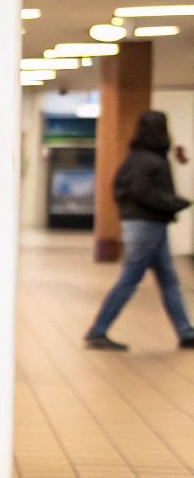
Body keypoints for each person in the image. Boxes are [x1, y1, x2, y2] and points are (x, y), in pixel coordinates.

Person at [86, 109, 194, 351]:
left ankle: (186, 331)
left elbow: (124, 190)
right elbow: (141, 191)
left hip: (150, 224)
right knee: (130, 279)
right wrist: (173, 203)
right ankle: (98, 330)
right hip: (147, 226)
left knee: (168, 279)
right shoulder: (149, 160)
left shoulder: (137, 157)